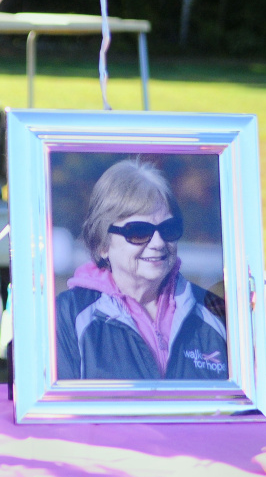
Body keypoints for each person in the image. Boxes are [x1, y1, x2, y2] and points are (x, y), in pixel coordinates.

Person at [56, 159, 228, 381]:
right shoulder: (67, 315)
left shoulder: (214, 311)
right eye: (138, 231)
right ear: (102, 244)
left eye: (168, 228)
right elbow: (60, 411)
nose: (157, 242)